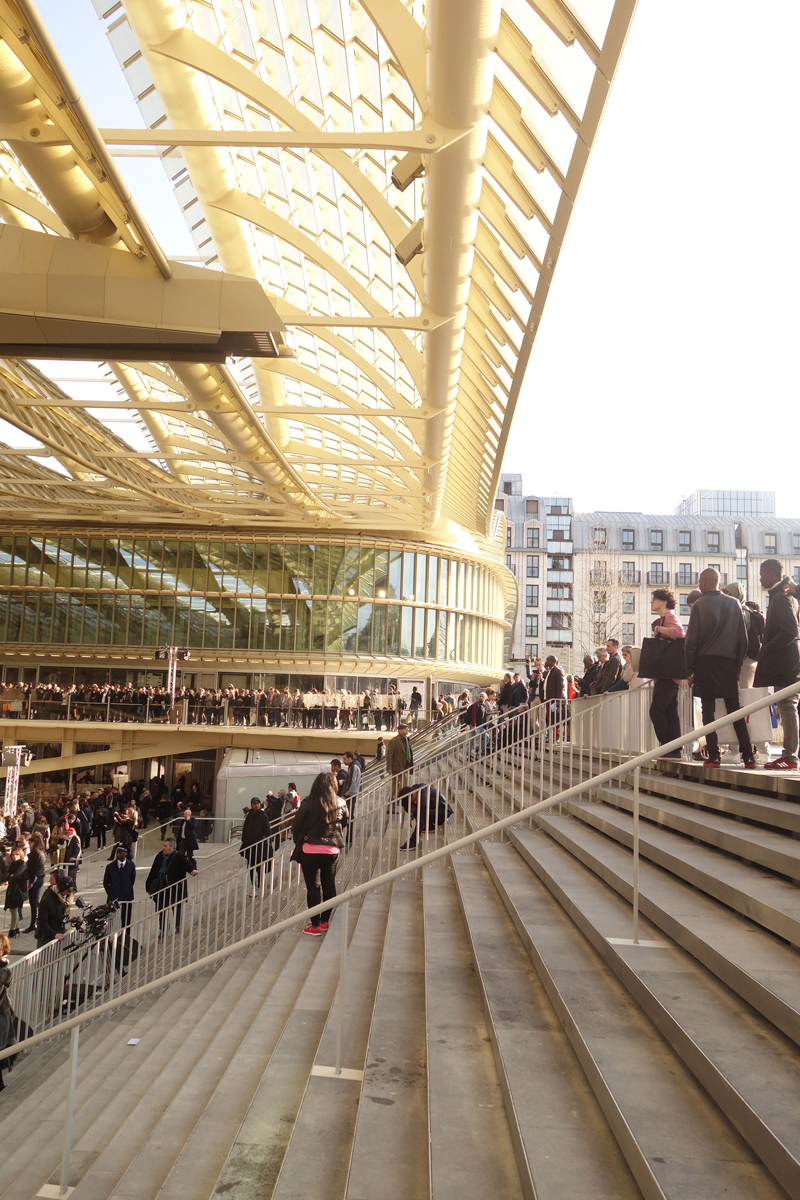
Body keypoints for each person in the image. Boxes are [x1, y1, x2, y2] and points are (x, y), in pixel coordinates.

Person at [684, 567, 755, 769]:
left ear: (705, 582)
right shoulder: (734, 604)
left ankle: (713, 755)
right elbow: (743, 639)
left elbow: (692, 641)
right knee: (734, 710)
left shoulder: (699, 605)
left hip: (705, 663)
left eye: (700, 581)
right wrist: (738, 665)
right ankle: (748, 755)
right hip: (728, 663)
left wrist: (689, 669)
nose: (699, 585)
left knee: (708, 710)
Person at [754, 559, 800, 770]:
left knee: (787, 706)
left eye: (762, 574)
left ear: (771, 573)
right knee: (788, 706)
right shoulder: (785, 596)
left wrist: (767, 648)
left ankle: (790, 757)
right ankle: (789, 755)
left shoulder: (781, 598)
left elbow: (791, 631)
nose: (760, 578)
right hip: (788, 660)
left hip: (785, 662)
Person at [290, 772, 348, 935]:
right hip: (332, 850)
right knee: (329, 884)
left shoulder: (309, 803)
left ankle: (314, 926)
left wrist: (299, 842)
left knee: (313, 887)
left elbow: (296, 826)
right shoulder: (341, 802)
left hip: (310, 849)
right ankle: (324, 922)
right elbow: (345, 822)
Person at [648, 587, 685, 757]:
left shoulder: (669, 616)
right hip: (668, 674)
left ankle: (666, 745)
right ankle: (674, 748)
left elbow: (679, 633)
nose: (651, 602)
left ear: (664, 602)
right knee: (670, 711)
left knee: (656, 710)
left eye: (654, 599)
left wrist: (659, 630)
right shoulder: (664, 618)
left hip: (668, 674)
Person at [145, 837, 198, 934]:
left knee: (176, 907)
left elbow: (187, 865)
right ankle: (164, 929)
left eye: (166, 846)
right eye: (163, 846)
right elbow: (153, 871)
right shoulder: (159, 856)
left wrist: (192, 870)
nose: (164, 848)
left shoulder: (179, 856)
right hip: (161, 888)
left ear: (172, 847)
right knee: (162, 909)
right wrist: (148, 886)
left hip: (175, 889)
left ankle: (178, 926)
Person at [397, 783, 453, 850]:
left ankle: (412, 842)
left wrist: (413, 814)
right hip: (436, 810)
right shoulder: (414, 790)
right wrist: (412, 813)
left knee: (422, 812)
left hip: (444, 813)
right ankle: (429, 826)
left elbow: (424, 805)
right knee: (419, 810)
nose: (415, 801)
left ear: (413, 793)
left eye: (414, 799)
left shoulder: (423, 790)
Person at [240, 798, 272, 888]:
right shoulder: (249, 816)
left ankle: (260, 885)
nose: (257, 805)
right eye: (254, 803)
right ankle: (254, 886)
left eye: (258, 803)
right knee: (252, 867)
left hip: (260, 846)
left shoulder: (263, 816)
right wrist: (245, 840)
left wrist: (262, 838)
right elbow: (245, 829)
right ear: (251, 805)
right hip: (250, 845)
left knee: (260, 867)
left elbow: (268, 831)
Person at [36, 870, 73, 948]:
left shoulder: (60, 899)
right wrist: (54, 934)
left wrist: (69, 920)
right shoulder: (47, 900)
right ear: (62, 889)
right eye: (68, 891)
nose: (69, 893)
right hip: (46, 939)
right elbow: (42, 922)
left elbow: (59, 917)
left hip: (55, 935)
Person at [103, 843, 136, 927]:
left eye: (120, 852)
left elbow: (132, 879)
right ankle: (109, 937)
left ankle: (126, 935)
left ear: (125, 853)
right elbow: (106, 882)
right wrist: (111, 892)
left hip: (126, 895)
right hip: (113, 896)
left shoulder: (131, 865)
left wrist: (126, 888)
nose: (118, 854)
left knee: (126, 918)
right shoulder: (110, 867)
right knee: (109, 918)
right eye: (117, 852)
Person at [0, 933, 16, 1091]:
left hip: (3, 1012)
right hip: (2, 1012)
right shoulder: (5, 971)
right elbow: (8, 983)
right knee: (6, 1045)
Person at [24, 833, 48, 935]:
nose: (29, 844)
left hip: (36, 879)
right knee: (35, 901)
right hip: (40, 877)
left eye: (30, 842)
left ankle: (34, 923)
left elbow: (33, 869)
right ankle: (35, 922)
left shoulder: (35, 853)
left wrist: (30, 882)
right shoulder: (41, 852)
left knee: (33, 902)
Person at [3, 848, 27, 938]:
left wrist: (11, 876)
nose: (14, 856)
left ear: (20, 855)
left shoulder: (22, 864)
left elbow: (15, 876)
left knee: (14, 909)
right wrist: (10, 875)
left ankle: (12, 929)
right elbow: (6, 877)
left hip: (18, 890)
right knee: (13, 909)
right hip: (12, 889)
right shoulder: (13, 864)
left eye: (16, 854)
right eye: (13, 855)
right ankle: (16, 928)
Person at [386, 722, 414, 793]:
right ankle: (397, 797)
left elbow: (409, 754)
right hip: (397, 767)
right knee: (405, 782)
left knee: (395, 786)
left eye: (407, 729)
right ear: (399, 730)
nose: (407, 730)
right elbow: (389, 755)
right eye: (405, 729)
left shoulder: (406, 740)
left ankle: (392, 801)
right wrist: (389, 767)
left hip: (405, 766)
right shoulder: (394, 741)